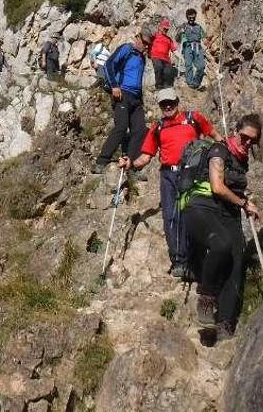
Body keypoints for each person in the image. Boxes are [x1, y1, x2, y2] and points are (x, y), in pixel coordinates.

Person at [119, 88, 224, 277]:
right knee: (171, 217)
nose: (167, 106)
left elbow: (215, 135)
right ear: (160, 106)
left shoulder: (194, 118)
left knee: (194, 215)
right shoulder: (157, 127)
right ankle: (179, 261)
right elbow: (146, 156)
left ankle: (195, 262)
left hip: (193, 175)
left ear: (177, 101)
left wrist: (225, 152)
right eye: (163, 104)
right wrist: (131, 164)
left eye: (170, 102)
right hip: (168, 176)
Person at [184, 114, 262, 341]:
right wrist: (245, 203)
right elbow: (217, 187)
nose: (247, 143)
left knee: (236, 264)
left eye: (252, 142)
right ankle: (206, 298)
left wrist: (241, 203)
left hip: (229, 213)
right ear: (236, 131)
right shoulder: (219, 150)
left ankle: (225, 322)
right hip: (203, 206)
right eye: (245, 137)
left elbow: (233, 190)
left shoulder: (241, 161)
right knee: (220, 245)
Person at [92, 29, 151, 176]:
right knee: (122, 127)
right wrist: (114, 86)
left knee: (140, 130)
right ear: (137, 38)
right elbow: (108, 65)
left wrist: (141, 100)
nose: (146, 46)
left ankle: (132, 164)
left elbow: (138, 82)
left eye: (148, 45)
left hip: (136, 99)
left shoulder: (142, 58)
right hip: (122, 94)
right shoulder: (127, 49)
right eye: (144, 43)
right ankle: (101, 161)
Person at [176, 8, 207, 89]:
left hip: (198, 47)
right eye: (190, 17)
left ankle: (196, 83)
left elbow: (204, 39)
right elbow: (177, 39)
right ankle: (190, 83)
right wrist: (180, 32)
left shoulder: (199, 27)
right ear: (187, 17)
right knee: (188, 65)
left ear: (195, 17)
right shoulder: (183, 26)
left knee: (201, 66)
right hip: (188, 47)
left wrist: (208, 42)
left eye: (193, 17)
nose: (192, 19)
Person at [150, 19, 178, 89]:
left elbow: (174, 50)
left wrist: (180, 57)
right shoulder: (155, 35)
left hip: (166, 59)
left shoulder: (169, 39)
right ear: (160, 27)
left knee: (169, 71)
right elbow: (146, 39)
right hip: (156, 56)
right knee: (159, 66)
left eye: (167, 29)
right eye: (164, 28)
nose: (166, 30)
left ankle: (167, 87)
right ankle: (159, 86)